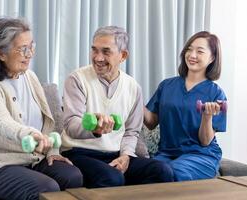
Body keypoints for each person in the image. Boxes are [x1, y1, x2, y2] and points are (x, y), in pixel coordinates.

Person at [0, 17, 83, 200]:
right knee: (47, 188)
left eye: (31, 46)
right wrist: (29, 134)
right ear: (0, 53)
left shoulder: (29, 76)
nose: (30, 53)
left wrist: (53, 151)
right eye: (23, 49)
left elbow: (48, 122)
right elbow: (2, 122)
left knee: (73, 176)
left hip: (33, 159)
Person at [61, 26, 174, 188]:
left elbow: (131, 131)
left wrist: (126, 155)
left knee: (162, 171)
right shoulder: (77, 79)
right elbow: (71, 124)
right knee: (112, 178)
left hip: (115, 154)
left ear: (123, 55)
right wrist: (94, 128)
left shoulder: (133, 87)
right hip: (78, 152)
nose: (98, 58)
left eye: (106, 52)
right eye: (94, 50)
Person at [144, 31, 227, 181]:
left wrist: (207, 116)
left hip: (201, 155)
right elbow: (150, 122)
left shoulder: (216, 94)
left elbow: (205, 141)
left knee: (174, 172)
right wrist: (133, 97)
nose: (192, 55)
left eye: (199, 51)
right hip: (166, 154)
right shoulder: (167, 86)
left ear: (212, 58)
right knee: (147, 172)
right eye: (189, 49)